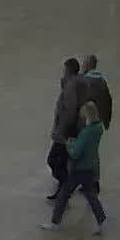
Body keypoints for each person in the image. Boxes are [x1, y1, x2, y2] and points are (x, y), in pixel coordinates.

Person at [43, 100, 107, 234]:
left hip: (79, 169)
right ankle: (101, 220)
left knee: (63, 195)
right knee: (91, 196)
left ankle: (55, 222)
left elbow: (76, 152)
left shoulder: (86, 133)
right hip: (90, 167)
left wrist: (69, 144)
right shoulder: (97, 129)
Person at [46, 58, 86, 199]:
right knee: (65, 160)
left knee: (53, 159)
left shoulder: (71, 87)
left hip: (66, 132)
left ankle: (65, 187)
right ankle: (64, 187)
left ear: (69, 70)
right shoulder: (76, 83)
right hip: (73, 130)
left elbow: (69, 111)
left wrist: (61, 130)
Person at [81, 54, 113, 131]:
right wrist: (107, 122)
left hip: (85, 123)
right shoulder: (102, 81)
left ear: (87, 65)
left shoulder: (83, 81)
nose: (82, 66)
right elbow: (108, 101)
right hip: (98, 123)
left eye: (84, 64)